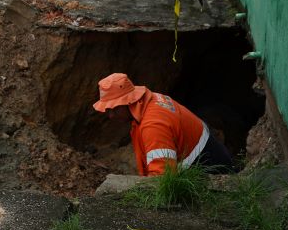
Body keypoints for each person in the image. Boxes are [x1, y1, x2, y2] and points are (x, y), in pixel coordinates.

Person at [93, 73, 234, 176]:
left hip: (212, 174)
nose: (111, 115)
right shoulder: (148, 100)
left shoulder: (153, 125)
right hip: (211, 158)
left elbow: (162, 177)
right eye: (108, 110)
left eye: (114, 109)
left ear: (128, 101)